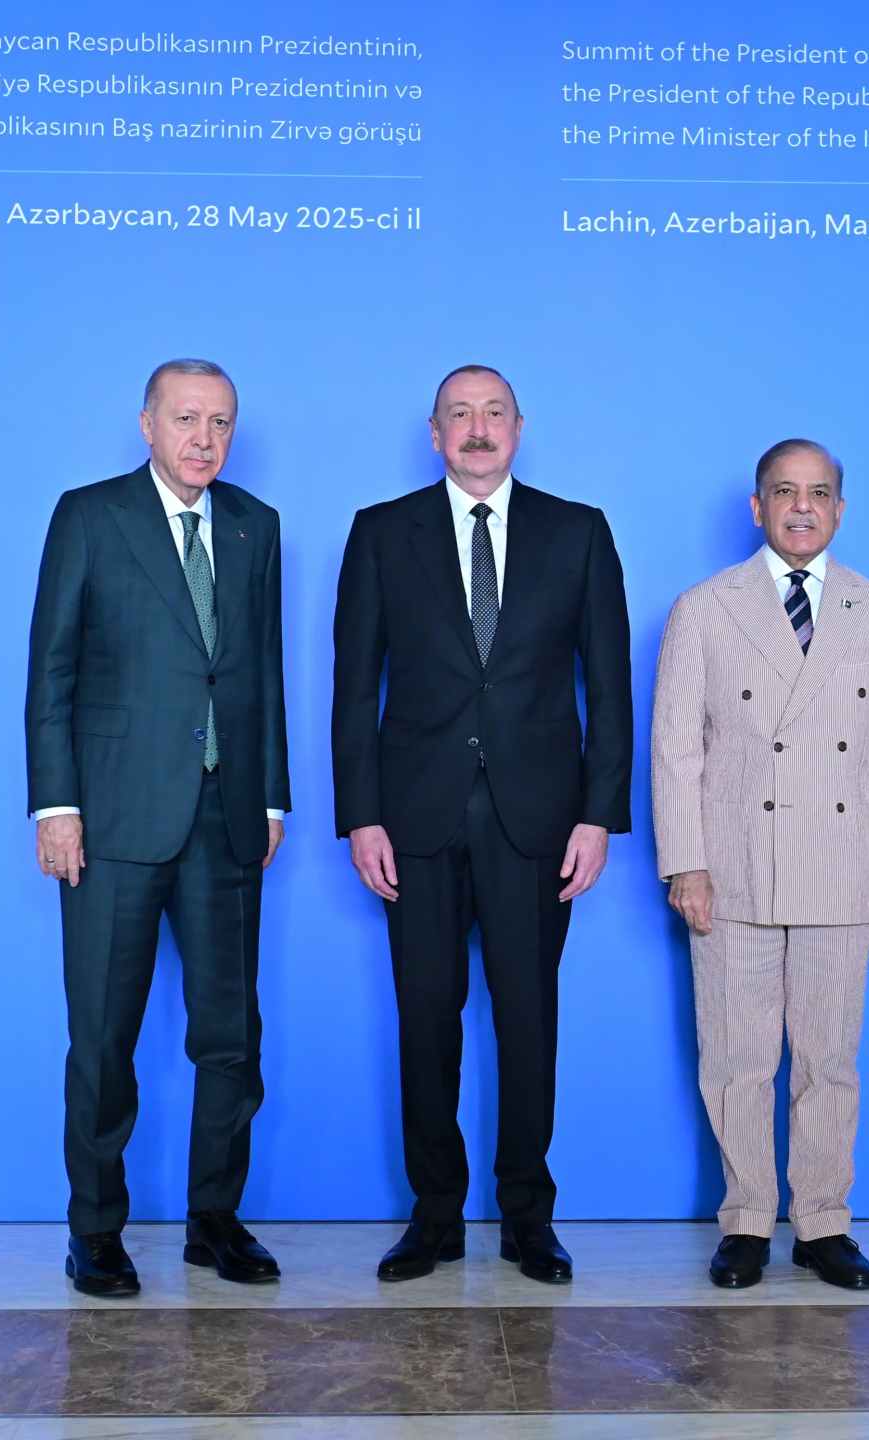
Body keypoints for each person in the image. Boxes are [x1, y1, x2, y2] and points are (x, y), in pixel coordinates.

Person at [332, 365, 633, 1284]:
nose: (477, 427)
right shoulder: (381, 532)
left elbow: (610, 685)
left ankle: (528, 1218)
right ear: (434, 433)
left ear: (519, 428)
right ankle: (433, 1217)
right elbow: (354, 687)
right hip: (413, 821)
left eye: (493, 412)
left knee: (529, 1020)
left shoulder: (579, 532)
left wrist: (599, 817)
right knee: (426, 1020)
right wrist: (360, 816)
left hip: (538, 821)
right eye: (459, 414)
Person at [25, 358, 290, 1296]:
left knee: (231, 1039)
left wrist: (271, 797)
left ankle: (215, 1222)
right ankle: (96, 1231)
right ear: (147, 424)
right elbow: (51, 671)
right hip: (114, 821)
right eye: (186, 419)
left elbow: (262, 670)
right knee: (103, 1039)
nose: (204, 439)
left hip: (227, 818)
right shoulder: (90, 516)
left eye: (220, 422)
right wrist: (56, 806)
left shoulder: (255, 524)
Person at [651, 438, 869, 1291]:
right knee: (737, 1058)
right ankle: (744, 1222)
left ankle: (823, 1225)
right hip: (733, 865)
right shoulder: (704, 608)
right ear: (757, 506)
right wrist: (685, 863)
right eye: (784, 491)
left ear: (839, 509)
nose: (801, 506)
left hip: (845, 864)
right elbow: (675, 750)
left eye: (818, 493)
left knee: (829, 1060)